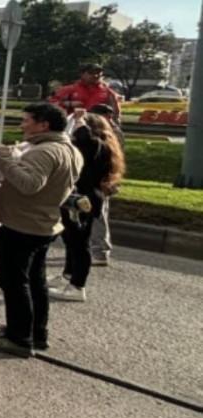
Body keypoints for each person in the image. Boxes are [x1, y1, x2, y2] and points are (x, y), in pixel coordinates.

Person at [0, 103, 83, 358]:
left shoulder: (44, 152)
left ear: (43, 124)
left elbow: (29, 185)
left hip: (22, 227)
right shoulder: (69, 149)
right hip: (43, 224)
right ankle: (36, 332)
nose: (22, 125)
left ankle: (19, 339)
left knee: (13, 282)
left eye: (26, 120)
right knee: (35, 282)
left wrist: (3, 158)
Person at [49, 113, 125, 302]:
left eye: (80, 126)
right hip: (80, 198)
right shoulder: (98, 145)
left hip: (84, 200)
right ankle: (68, 275)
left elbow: (85, 139)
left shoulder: (96, 145)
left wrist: (80, 122)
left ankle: (77, 285)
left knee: (79, 243)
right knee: (70, 241)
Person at [86, 103, 123, 266]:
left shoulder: (103, 134)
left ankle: (100, 251)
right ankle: (96, 248)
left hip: (100, 179)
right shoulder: (112, 132)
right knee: (99, 214)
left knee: (98, 216)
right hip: (107, 178)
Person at [49, 63, 121, 122]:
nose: (95, 75)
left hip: (99, 126)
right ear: (82, 74)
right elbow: (51, 105)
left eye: (99, 73)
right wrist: (68, 104)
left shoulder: (108, 91)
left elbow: (116, 111)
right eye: (91, 73)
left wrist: (115, 122)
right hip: (74, 125)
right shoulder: (69, 89)